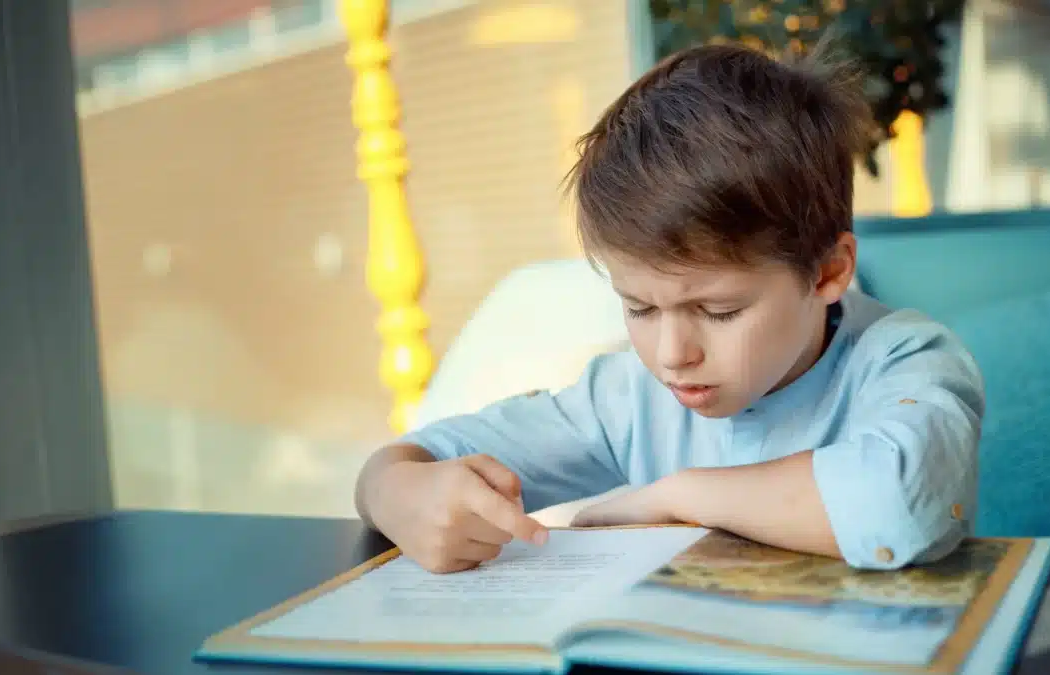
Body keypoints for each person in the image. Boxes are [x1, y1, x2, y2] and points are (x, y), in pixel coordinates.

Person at [353, 41, 983, 575]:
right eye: (640, 309)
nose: (672, 355)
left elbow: (902, 502)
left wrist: (676, 497)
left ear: (828, 272)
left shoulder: (906, 360)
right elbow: (413, 458)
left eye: (719, 311)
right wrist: (397, 491)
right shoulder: (628, 399)